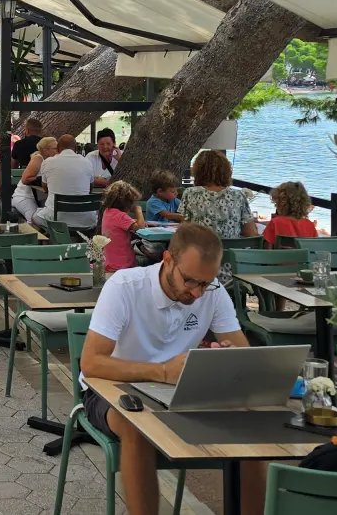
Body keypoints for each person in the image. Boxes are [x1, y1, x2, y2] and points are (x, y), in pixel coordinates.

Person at [80, 223, 260, 515]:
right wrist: (163, 371)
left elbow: (244, 357)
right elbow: (91, 364)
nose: (197, 293)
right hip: (110, 390)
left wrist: (225, 358)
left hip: (180, 391)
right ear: (167, 260)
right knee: (138, 427)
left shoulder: (212, 293)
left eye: (206, 283)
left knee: (250, 424)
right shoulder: (125, 286)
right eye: (190, 281)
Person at [179, 149, 258, 280]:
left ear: (198, 171)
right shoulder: (238, 196)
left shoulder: (190, 194)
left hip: (199, 267)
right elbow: (251, 234)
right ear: (226, 171)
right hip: (233, 271)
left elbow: (185, 233)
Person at [34, 136, 95, 230]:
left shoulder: (48, 162)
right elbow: (90, 188)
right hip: (87, 221)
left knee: (35, 217)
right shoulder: (87, 162)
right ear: (76, 147)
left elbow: (45, 187)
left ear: (58, 148)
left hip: (56, 220)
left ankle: (53, 238)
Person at [99, 180, 145, 273]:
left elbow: (120, 224)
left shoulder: (108, 212)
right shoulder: (121, 216)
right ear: (127, 203)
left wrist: (136, 221)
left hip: (110, 261)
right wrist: (138, 212)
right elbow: (141, 228)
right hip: (123, 264)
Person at [11, 136, 58, 224]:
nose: (58, 151)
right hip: (25, 196)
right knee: (34, 220)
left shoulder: (53, 161)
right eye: (55, 148)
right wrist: (42, 180)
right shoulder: (38, 158)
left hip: (40, 197)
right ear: (45, 150)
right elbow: (25, 179)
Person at [263, 180, 320, 247]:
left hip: (280, 254)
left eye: (276, 203)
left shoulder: (275, 223)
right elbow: (314, 248)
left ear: (281, 204)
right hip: (302, 254)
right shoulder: (310, 225)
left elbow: (266, 248)